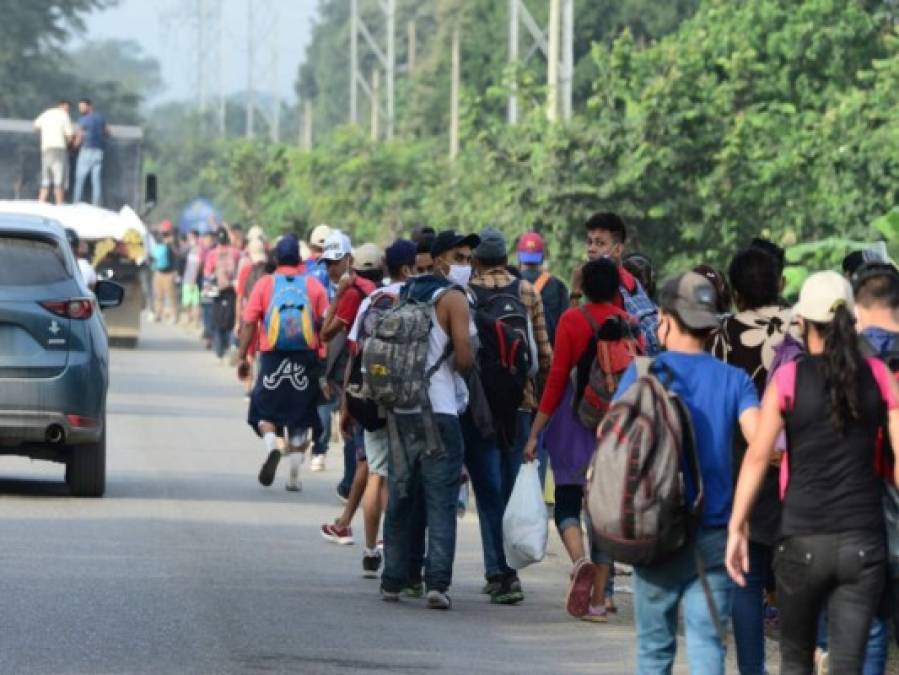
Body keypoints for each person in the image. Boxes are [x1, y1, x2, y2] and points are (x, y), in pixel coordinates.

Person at [728, 270, 899, 675]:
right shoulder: (878, 375)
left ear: (802, 322)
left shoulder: (788, 378)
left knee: (795, 658)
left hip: (801, 538)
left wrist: (737, 526)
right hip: (862, 541)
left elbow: (757, 457)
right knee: (846, 664)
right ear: (851, 321)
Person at [616, 272, 759, 674]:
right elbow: (763, 444)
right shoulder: (735, 380)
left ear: (664, 318)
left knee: (654, 650)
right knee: (707, 645)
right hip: (713, 534)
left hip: (655, 528)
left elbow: (607, 433)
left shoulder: (644, 373)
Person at [523, 258, 643, 622]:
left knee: (567, 503)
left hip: (571, 422)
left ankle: (579, 561)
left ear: (584, 287)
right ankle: (597, 602)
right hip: (616, 428)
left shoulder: (572, 320)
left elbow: (557, 378)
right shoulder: (630, 325)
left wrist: (535, 432)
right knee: (604, 514)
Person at [710, 246, 798, 675]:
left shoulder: (721, 335)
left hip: (741, 467)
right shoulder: (806, 329)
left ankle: (751, 668)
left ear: (736, 292)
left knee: (743, 577)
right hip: (802, 472)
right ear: (781, 284)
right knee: (800, 579)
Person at [380, 229, 478, 610]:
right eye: (459, 257)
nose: (465, 266)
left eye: (468, 258)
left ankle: (392, 579)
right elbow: (466, 359)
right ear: (439, 260)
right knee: (440, 501)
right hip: (438, 412)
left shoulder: (406, 292)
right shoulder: (452, 299)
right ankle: (436, 583)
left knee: (401, 495)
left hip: (402, 410)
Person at [463, 228, 552, 605]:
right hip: (521, 402)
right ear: (506, 259)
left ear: (477, 260)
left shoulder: (465, 293)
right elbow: (544, 354)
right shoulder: (526, 291)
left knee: (487, 492)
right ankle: (510, 571)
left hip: (479, 405)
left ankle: (497, 572)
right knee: (510, 484)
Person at [237, 234, 329, 492]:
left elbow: (248, 322)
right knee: (300, 417)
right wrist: (323, 360)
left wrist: (243, 356)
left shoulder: (265, 284)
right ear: (300, 259)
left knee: (263, 411)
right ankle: (294, 476)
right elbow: (327, 325)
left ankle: (272, 447)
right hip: (305, 359)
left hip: (272, 358)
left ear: (275, 258)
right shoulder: (313, 286)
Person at [571, 212, 660, 355]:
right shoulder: (631, 280)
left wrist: (575, 291)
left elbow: (573, 333)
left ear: (618, 250)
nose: (591, 249)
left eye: (600, 243)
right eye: (589, 242)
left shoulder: (609, 287)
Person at [516, 231, 568, 345]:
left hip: (522, 354)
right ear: (542, 257)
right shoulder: (558, 286)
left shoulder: (512, 284)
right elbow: (566, 326)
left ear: (518, 256)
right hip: (550, 353)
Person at [204, 228, 241, 362]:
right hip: (232, 291)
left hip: (217, 292)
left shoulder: (212, 254)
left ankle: (220, 352)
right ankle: (232, 346)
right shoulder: (236, 253)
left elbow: (207, 274)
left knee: (217, 320)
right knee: (231, 320)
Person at [33, 100, 75, 204]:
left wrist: (44, 136)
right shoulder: (64, 115)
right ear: (62, 106)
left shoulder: (47, 113)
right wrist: (69, 145)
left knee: (46, 177)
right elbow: (70, 135)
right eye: (67, 108)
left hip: (46, 149)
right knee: (59, 178)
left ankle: (41, 202)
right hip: (59, 148)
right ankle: (59, 204)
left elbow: (35, 126)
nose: (67, 110)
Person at [72, 98, 108, 206]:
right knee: (96, 180)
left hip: (86, 150)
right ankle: (96, 204)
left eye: (82, 106)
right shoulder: (100, 118)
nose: (81, 109)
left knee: (80, 179)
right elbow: (107, 132)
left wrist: (73, 147)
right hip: (98, 151)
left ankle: (76, 203)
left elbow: (80, 136)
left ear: (89, 106)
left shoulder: (83, 120)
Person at [151, 221, 179, 323]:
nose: (164, 232)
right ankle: (158, 314)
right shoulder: (158, 238)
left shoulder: (174, 240)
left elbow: (177, 254)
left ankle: (174, 315)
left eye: (166, 230)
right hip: (158, 271)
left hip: (169, 273)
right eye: (163, 230)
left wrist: (171, 243)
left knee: (171, 295)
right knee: (158, 295)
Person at [180, 231, 203, 328]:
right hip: (187, 278)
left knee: (195, 302)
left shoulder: (199, 250)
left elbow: (198, 266)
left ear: (196, 238)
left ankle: (196, 322)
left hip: (194, 280)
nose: (190, 240)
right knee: (187, 302)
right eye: (189, 238)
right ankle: (189, 320)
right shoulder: (189, 249)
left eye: (192, 238)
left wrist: (194, 279)